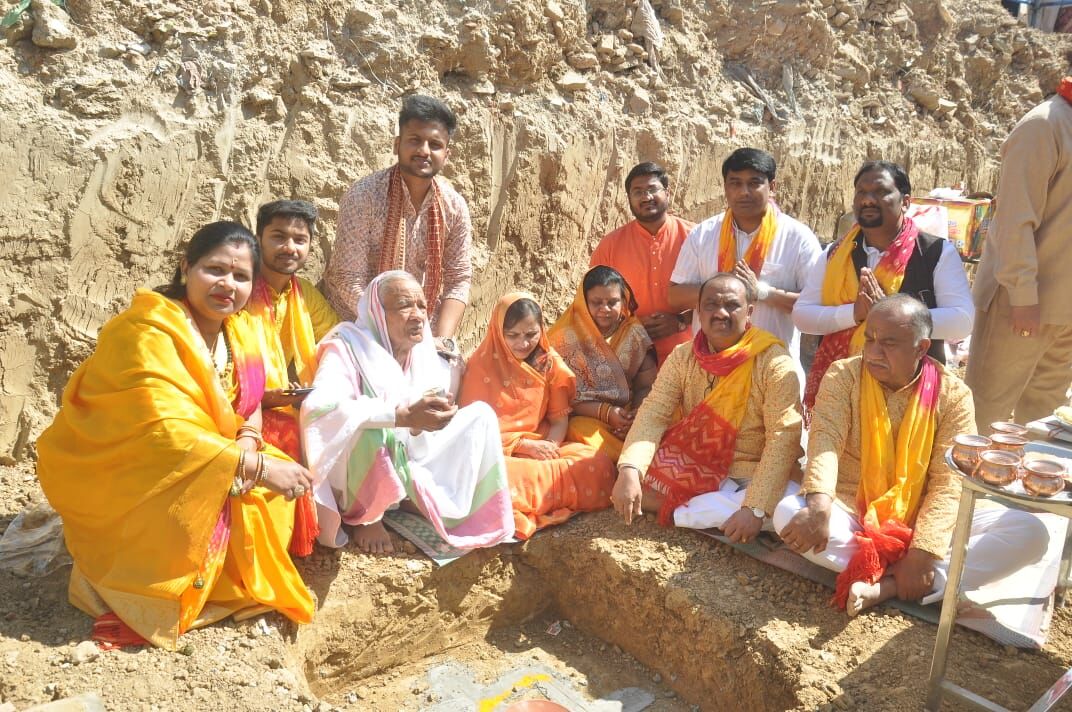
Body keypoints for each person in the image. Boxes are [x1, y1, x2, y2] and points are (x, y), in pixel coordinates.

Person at [36, 222, 316, 650]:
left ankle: (219, 573)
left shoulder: (239, 331)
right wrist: (255, 466)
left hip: (215, 457)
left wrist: (247, 441)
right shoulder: (146, 330)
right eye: (215, 270)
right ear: (187, 267)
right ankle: (151, 588)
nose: (228, 285)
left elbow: (252, 401)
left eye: (241, 277)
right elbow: (162, 431)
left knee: (273, 504)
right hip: (139, 471)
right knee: (226, 504)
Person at [776, 295, 1049, 616]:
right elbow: (824, 441)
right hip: (852, 505)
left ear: (921, 348)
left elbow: (949, 482)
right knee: (787, 514)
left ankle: (892, 583)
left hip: (926, 515)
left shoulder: (953, 396)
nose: (874, 352)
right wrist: (820, 506)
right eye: (870, 339)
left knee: (1029, 531)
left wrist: (922, 551)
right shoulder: (844, 375)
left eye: (889, 343)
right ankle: (922, 579)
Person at [302, 271, 514, 555]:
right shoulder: (346, 347)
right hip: (357, 464)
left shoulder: (423, 352)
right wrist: (398, 416)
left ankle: (410, 498)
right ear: (378, 312)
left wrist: (427, 420)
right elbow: (318, 408)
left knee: (481, 417)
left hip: (405, 453)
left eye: (422, 306)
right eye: (404, 305)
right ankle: (368, 517)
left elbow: (417, 423)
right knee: (370, 427)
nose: (417, 315)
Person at [612, 274, 804, 544]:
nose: (720, 313)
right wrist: (630, 469)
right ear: (699, 312)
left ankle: (707, 511)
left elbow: (783, 439)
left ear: (749, 311)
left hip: (753, 471)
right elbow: (654, 413)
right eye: (711, 305)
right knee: (631, 480)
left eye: (732, 306)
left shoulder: (774, 363)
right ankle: (720, 510)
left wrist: (756, 506)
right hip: (695, 463)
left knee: (790, 510)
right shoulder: (683, 356)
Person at [794, 160, 974, 415]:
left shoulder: (935, 253)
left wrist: (894, 316)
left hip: (911, 390)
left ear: (906, 201)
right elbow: (803, 316)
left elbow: (962, 320)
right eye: (861, 192)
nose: (868, 200)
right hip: (844, 391)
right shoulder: (835, 254)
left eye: (880, 192)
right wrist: (854, 314)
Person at [459, 293, 617, 539]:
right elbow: (470, 434)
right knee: (495, 477)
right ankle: (543, 497)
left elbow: (559, 420)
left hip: (544, 446)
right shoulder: (480, 368)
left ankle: (526, 500)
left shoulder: (548, 362)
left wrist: (549, 448)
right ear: (498, 332)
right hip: (496, 454)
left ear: (541, 329)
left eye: (530, 334)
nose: (523, 343)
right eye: (513, 336)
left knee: (597, 463)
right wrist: (524, 446)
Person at [324, 95, 471, 358]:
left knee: (448, 379)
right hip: (362, 330)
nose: (424, 150)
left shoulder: (454, 206)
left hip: (423, 336)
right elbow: (348, 279)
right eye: (414, 140)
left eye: (435, 144)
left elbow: (458, 281)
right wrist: (388, 325)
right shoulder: (364, 196)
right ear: (397, 145)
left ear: (446, 155)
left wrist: (442, 340)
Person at [966, 80, 1072, 429]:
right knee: (985, 417)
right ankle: (963, 487)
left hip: (1064, 312)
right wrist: (1024, 296)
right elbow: (1015, 220)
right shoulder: (1043, 125)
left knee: (1045, 424)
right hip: (1022, 306)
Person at [668, 148, 822, 379]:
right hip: (710, 371)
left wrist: (761, 293)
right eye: (735, 183)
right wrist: (720, 288)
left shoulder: (798, 237)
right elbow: (674, 297)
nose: (744, 192)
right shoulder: (703, 234)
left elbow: (817, 305)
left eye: (754, 183)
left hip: (772, 373)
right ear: (725, 188)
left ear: (773, 187)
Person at [248, 199, 339, 463]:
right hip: (237, 404)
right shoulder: (241, 286)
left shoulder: (305, 294)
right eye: (278, 237)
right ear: (258, 240)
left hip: (283, 402)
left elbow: (336, 341)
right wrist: (263, 398)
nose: (290, 248)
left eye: (300, 240)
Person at [590, 161, 695, 365]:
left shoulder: (696, 238)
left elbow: (720, 295)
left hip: (691, 355)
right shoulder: (610, 245)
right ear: (629, 199)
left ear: (667, 192)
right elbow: (591, 304)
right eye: (637, 192)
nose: (646, 197)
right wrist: (631, 326)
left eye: (652, 189)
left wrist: (681, 322)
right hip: (632, 360)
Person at [548, 266, 658, 459]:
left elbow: (646, 386)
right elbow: (559, 396)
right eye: (596, 302)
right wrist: (606, 413)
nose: (605, 309)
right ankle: (629, 461)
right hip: (586, 418)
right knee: (578, 429)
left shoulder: (634, 334)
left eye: (612, 302)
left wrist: (635, 418)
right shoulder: (565, 337)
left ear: (623, 301)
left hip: (627, 415)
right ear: (583, 302)